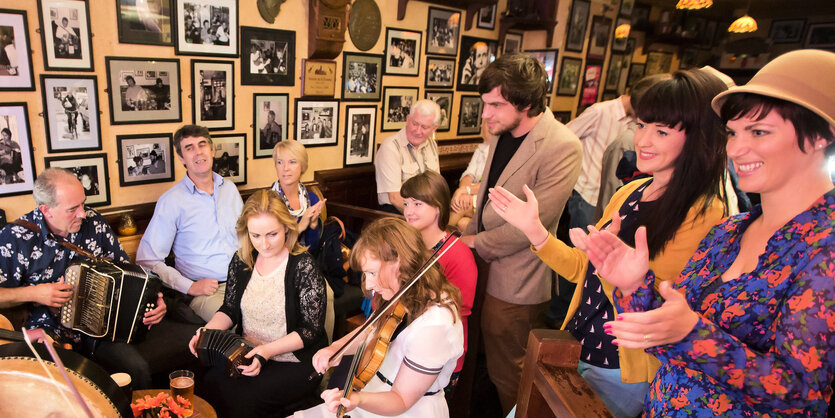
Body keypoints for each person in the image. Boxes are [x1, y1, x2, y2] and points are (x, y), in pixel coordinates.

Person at [582, 49, 835, 416]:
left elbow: (802, 397)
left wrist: (693, 335)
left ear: (820, 137)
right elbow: (667, 332)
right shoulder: (729, 231)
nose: (736, 148)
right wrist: (634, 286)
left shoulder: (824, 249)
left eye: (759, 132)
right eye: (732, 133)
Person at [489, 69, 731, 417]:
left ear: (699, 139)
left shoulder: (704, 213)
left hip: (622, 365)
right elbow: (583, 272)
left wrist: (611, 266)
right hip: (577, 343)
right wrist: (536, 232)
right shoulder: (631, 191)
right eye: (642, 125)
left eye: (661, 131)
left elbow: (657, 305)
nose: (643, 141)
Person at [459, 53, 582, 414]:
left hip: (518, 280)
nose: (486, 115)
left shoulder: (562, 145)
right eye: (485, 104)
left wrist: (473, 241)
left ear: (526, 102)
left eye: (495, 105)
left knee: (509, 371)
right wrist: (465, 233)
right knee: (478, 363)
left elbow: (531, 225)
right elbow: (485, 200)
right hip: (480, 264)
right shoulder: (503, 131)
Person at [0, 168, 170, 389]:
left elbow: (130, 271)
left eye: (83, 203)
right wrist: (35, 293)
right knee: (60, 387)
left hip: (103, 330)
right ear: (46, 210)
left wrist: (155, 300)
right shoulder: (15, 238)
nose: (83, 213)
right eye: (73, 209)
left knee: (135, 370)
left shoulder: (94, 222)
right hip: (50, 332)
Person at [294, 217, 463, 417]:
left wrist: (356, 399)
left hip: (405, 410)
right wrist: (335, 349)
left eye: (372, 273)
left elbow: (401, 399)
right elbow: (371, 330)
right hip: (373, 393)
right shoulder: (398, 292)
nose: (370, 284)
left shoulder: (434, 325)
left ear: (399, 262)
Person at [189, 189, 327, 416]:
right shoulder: (242, 260)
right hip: (248, 352)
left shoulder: (303, 266)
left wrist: (266, 351)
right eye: (255, 236)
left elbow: (311, 330)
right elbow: (229, 309)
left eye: (272, 234)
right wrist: (206, 331)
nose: (264, 245)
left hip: (293, 360)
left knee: (240, 401)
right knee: (204, 382)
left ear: (286, 226)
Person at [137, 125, 243, 323]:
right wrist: (189, 287)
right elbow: (147, 260)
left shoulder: (230, 189)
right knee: (239, 325)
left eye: (202, 144)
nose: (198, 152)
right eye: (189, 148)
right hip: (207, 292)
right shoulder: (171, 201)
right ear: (181, 158)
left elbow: (246, 236)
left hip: (246, 280)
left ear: (212, 150)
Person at [400, 171, 476, 388]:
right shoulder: (409, 246)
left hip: (439, 348)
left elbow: (460, 310)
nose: (409, 212)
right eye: (406, 204)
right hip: (404, 338)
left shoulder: (457, 253)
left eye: (417, 204)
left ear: (437, 208)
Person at [375, 99, 441, 214]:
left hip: (427, 212)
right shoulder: (391, 147)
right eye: (415, 124)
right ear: (407, 119)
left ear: (434, 128)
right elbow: (395, 198)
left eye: (424, 127)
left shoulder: (432, 145)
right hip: (397, 215)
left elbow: (436, 187)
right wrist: (424, 217)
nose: (417, 131)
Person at [270, 140, 326, 249]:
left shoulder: (312, 199)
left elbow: (313, 250)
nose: (285, 168)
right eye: (280, 162)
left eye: (292, 162)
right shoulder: (268, 201)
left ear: (302, 166)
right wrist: (300, 228)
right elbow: (272, 249)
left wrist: (313, 225)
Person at [449, 142, 489, 231]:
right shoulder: (481, 148)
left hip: (489, 201)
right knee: (462, 223)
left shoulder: (501, 150)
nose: (482, 127)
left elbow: (491, 183)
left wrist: (467, 190)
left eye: (485, 126)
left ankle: (440, 242)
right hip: (474, 196)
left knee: (460, 204)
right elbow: (468, 175)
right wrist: (464, 192)